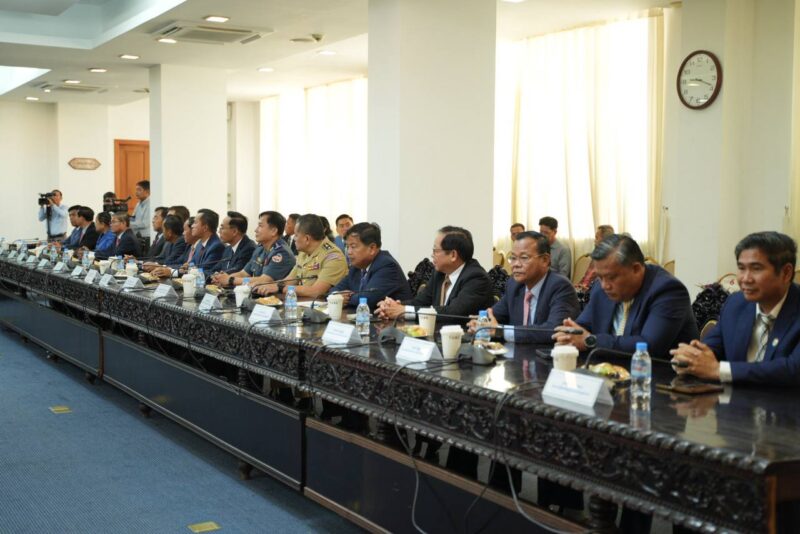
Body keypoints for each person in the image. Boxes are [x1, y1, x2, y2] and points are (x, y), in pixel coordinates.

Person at [671, 231, 800, 385]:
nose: (745, 279)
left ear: (786, 273)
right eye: (741, 268)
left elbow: (793, 369)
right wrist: (690, 359)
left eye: (756, 269)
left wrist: (719, 370)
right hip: (734, 399)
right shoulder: (736, 303)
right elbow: (712, 348)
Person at [553, 234, 698, 358]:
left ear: (636, 269)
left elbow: (649, 346)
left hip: (659, 376)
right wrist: (569, 334)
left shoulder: (668, 291)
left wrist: (590, 340)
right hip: (608, 371)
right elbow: (583, 327)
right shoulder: (601, 287)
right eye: (600, 277)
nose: (604, 285)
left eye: (611, 277)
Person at [470, 231, 579, 343]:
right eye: (513, 258)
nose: (516, 264)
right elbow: (494, 315)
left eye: (524, 257)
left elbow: (554, 330)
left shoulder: (560, 287)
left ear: (545, 260)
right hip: (516, 352)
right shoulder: (514, 284)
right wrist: (480, 323)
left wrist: (501, 331)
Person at [377, 226, 494, 324]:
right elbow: (419, 302)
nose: (432, 255)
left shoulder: (476, 278)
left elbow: (453, 313)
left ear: (453, 255)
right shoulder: (440, 273)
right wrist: (392, 307)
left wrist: (404, 311)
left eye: (435, 251)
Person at [254, 214, 347, 299]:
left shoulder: (333, 257)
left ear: (307, 239)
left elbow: (316, 291)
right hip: (303, 304)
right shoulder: (304, 253)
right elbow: (290, 280)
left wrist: (281, 288)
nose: (294, 239)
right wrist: (269, 285)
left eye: (296, 235)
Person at [329, 222, 412, 310]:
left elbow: (367, 299)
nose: (349, 252)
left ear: (372, 248)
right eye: (347, 246)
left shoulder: (387, 265)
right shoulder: (356, 267)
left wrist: (342, 298)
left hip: (394, 318)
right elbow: (334, 291)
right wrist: (337, 296)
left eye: (353, 247)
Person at [212, 211, 295, 288]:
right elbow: (244, 273)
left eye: (260, 226)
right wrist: (222, 279)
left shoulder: (282, 253)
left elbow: (264, 280)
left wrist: (230, 280)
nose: (256, 230)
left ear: (273, 231)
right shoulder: (260, 248)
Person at [576, 224, 615, 290]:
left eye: (596, 238)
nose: (594, 241)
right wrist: (578, 285)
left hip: (591, 293)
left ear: (605, 240)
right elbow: (586, 277)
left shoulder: (610, 261)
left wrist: (587, 289)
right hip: (582, 291)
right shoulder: (596, 256)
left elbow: (602, 286)